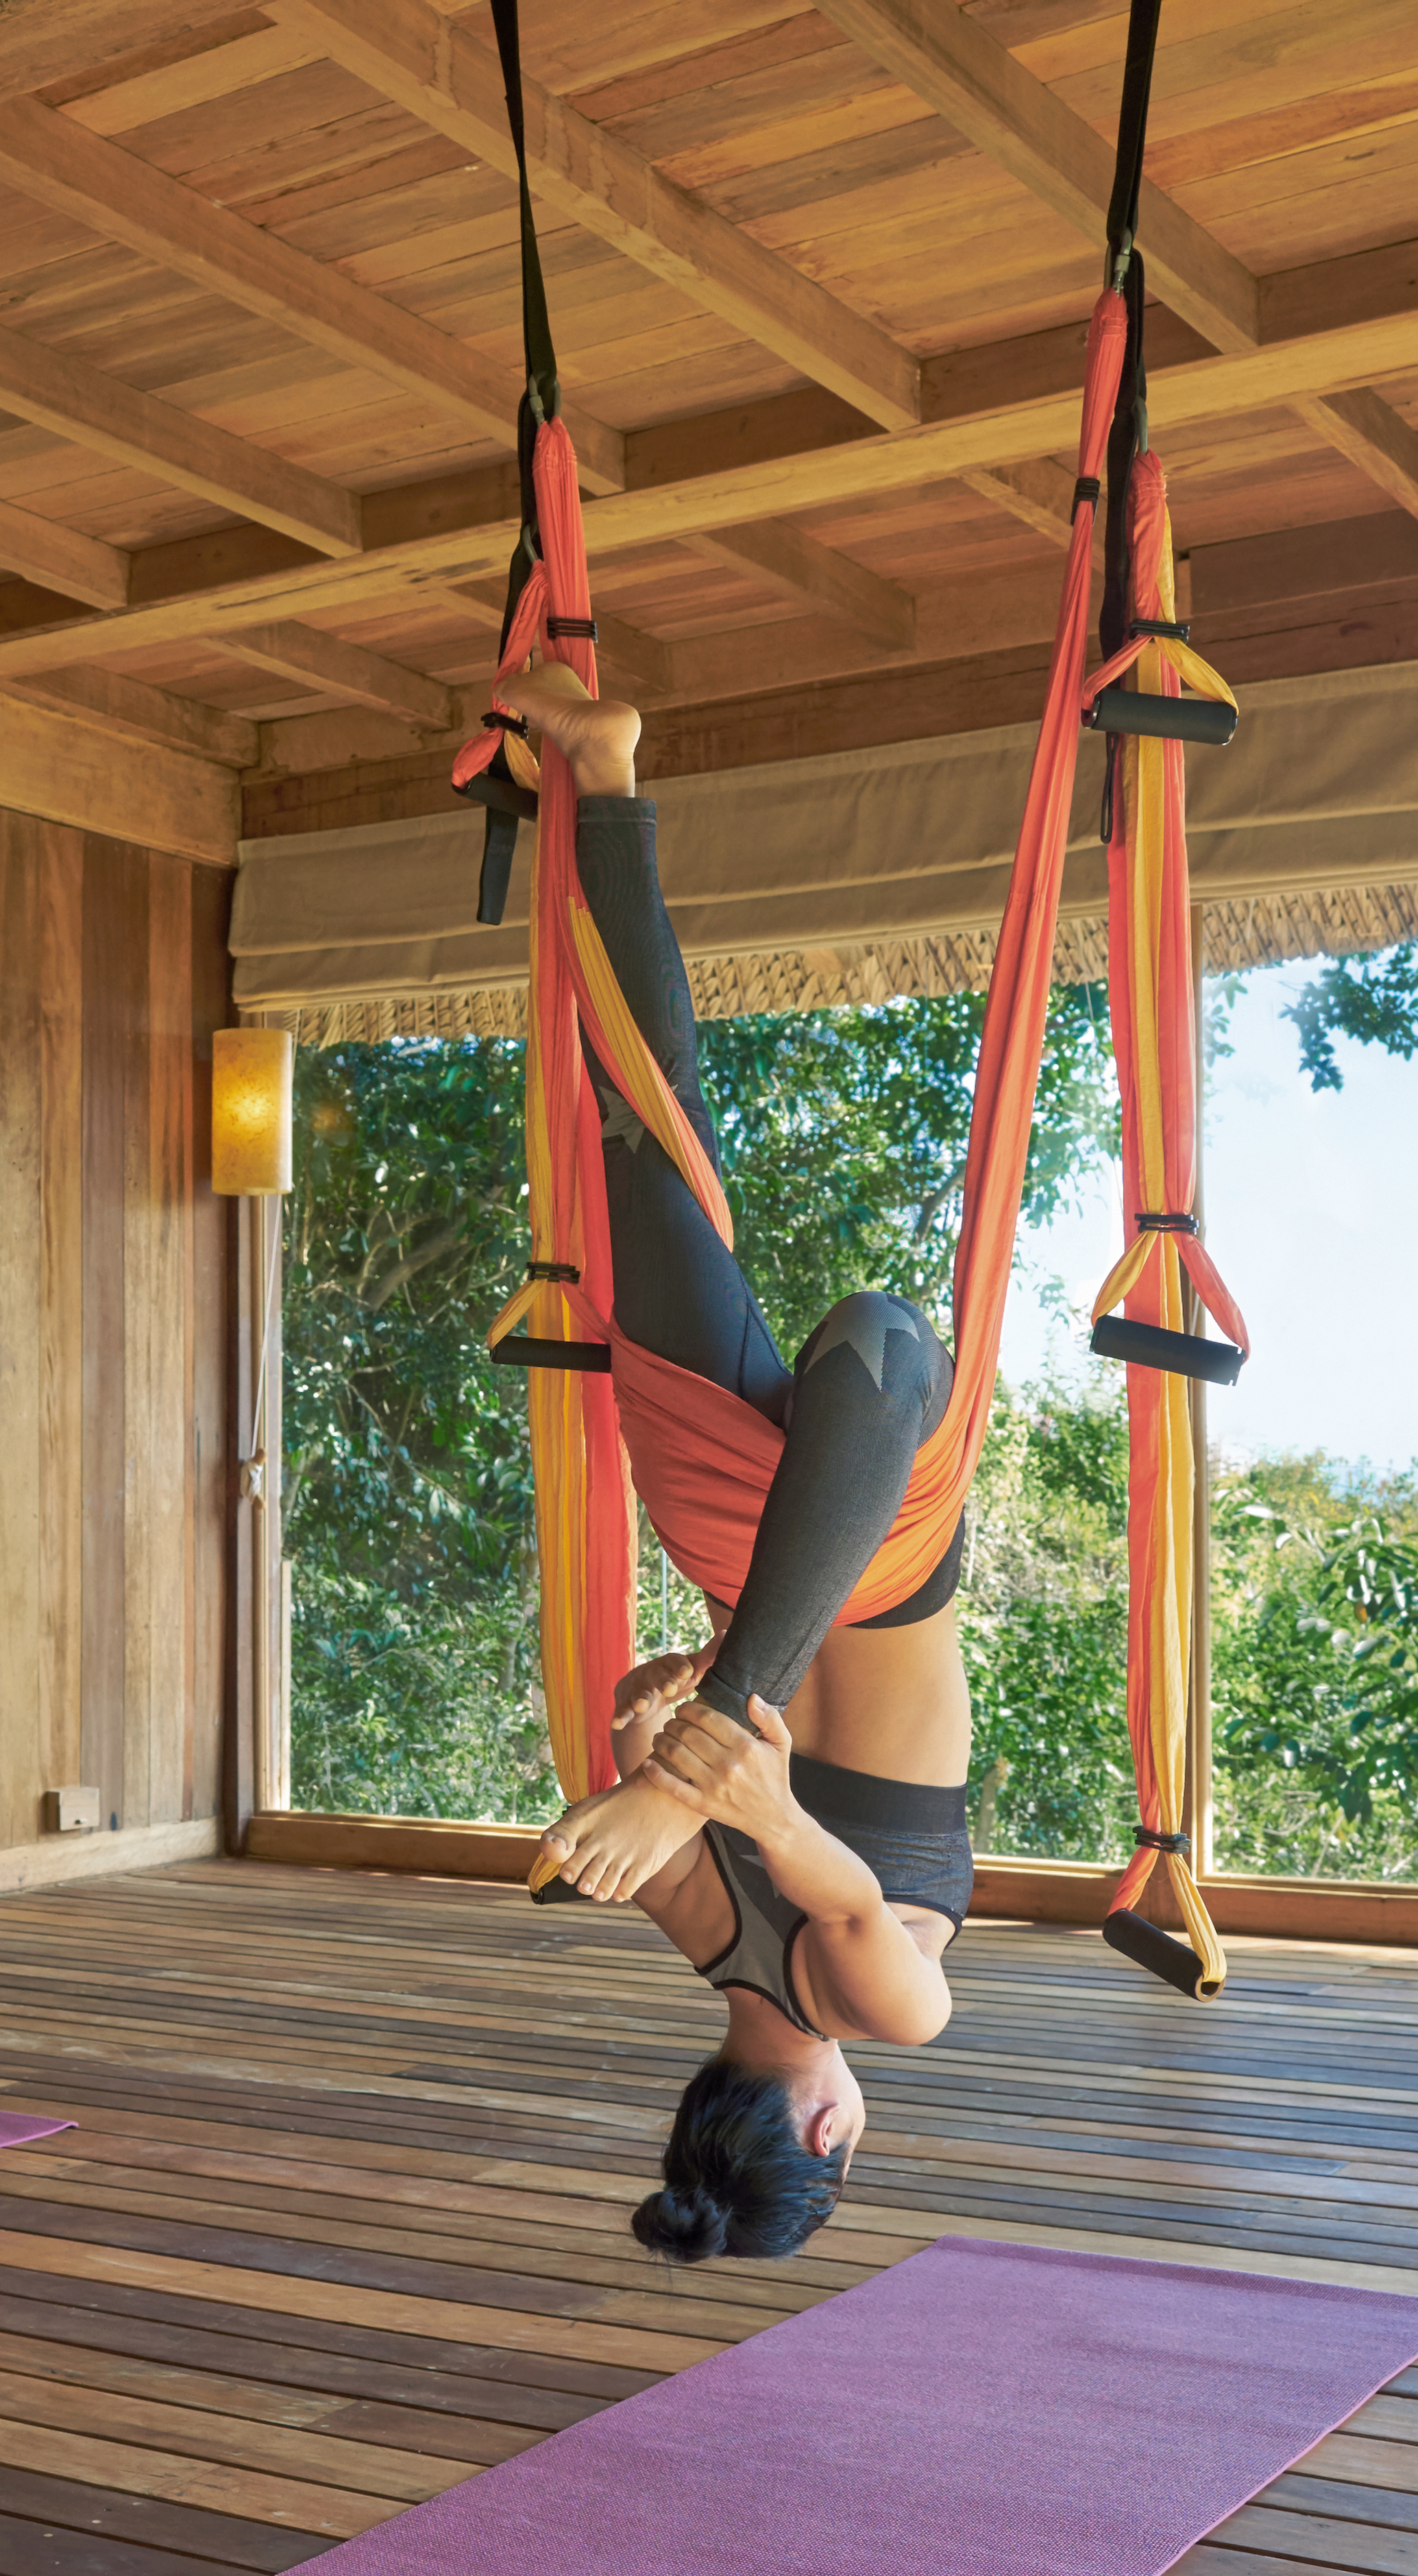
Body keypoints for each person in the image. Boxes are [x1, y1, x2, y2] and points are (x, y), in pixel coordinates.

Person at [493, 670, 966, 2263]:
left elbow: (875, 1943)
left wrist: (674, 1720)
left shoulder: (869, 2019)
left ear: (826, 2134)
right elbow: (812, 1878)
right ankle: (605, 774)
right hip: (764, 1520)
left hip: (861, 1542)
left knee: (880, 1335)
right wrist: (681, 1765)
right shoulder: (692, 1920)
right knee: (650, 1134)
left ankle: (610, 787)